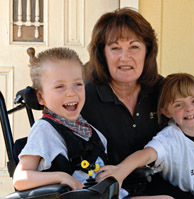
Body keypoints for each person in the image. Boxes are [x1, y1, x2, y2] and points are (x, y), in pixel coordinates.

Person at [81, 7, 194, 199]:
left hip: (161, 183)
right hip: (106, 189)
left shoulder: (164, 90)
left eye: (134, 47)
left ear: (147, 51)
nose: (124, 57)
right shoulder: (85, 96)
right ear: (102, 54)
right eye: (115, 48)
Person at [97, 73, 194, 199]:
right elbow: (146, 154)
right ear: (166, 112)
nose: (189, 108)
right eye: (178, 105)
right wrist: (121, 170)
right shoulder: (170, 137)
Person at [12, 48, 116, 194]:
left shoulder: (93, 133)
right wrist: (61, 177)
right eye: (60, 86)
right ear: (41, 97)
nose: (71, 92)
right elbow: (20, 178)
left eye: (78, 84)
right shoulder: (45, 131)